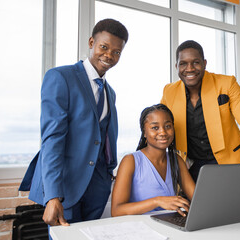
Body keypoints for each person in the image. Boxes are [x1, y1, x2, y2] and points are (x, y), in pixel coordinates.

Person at [19, 18, 129, 228]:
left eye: (116, 52)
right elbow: (52, 139)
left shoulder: (110, 92)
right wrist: (52, 195)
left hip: (97, 189)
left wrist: (109, 174)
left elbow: (104, 137)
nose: (109, 55)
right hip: (65, 188)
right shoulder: (61, 77)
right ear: (91, 43)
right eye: (104, 47)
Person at [161, 40, 240, 208]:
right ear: (176, 66)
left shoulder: (227, 83)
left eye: (195, 62)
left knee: (238, 210)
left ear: (204, 63)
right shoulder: (169, 91)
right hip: (192, 168)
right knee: (199, 215)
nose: (189, 69)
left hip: (230, 165)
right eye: (183, 64)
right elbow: (160, 126)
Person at [111, 104, 195, 217]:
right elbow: (116, 211)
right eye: (155, 128)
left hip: (168, 225)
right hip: (140, 228)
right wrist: (157, 201)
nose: (163, 132)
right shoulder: (130, 161)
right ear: (144, 132)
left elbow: (196, 198)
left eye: (168, 126)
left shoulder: (176, 160)